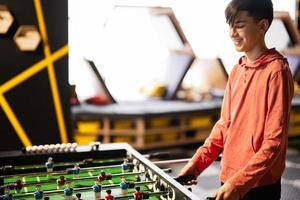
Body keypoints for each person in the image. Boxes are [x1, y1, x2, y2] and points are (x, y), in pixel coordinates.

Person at [179, 0, 294, 200]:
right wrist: (197, 164)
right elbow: (224, 126)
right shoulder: (237, 70)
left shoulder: (277, 71)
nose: (232, 32)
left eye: (239, 25)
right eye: (230, 25)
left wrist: (239, 183)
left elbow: (274, 141)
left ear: (262, 26)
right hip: (229, 177)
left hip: (258, 184)